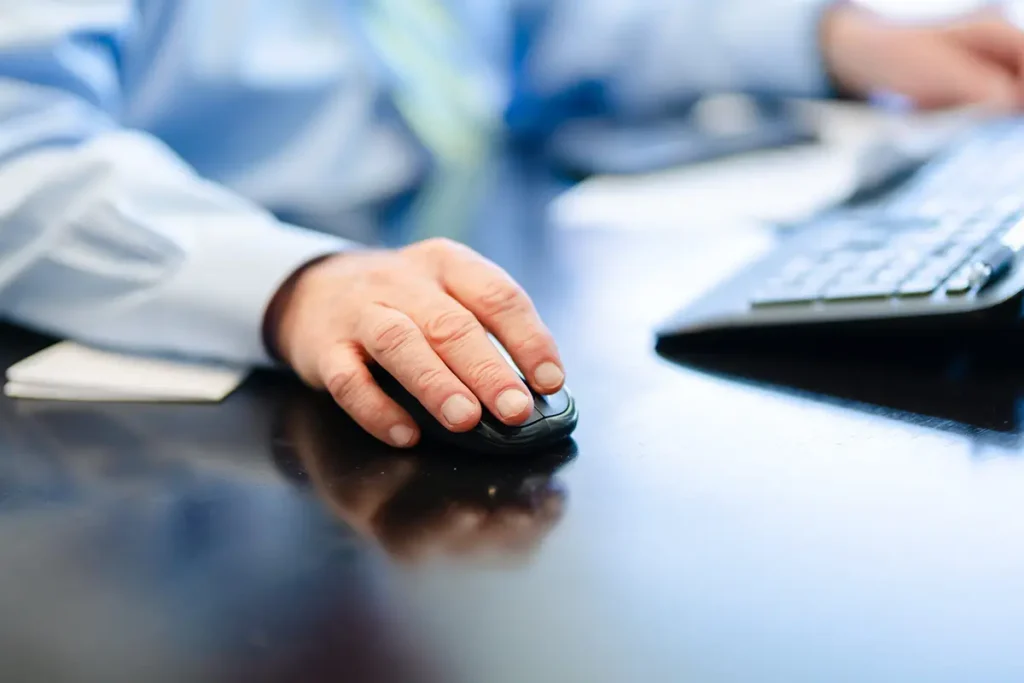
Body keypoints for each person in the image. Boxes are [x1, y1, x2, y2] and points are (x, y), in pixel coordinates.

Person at [0, 1, 1022, 449]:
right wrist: (296, 282)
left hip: (463, 237)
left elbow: (547, 24)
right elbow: (17, 141)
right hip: (179, 378)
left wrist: (836, 37)